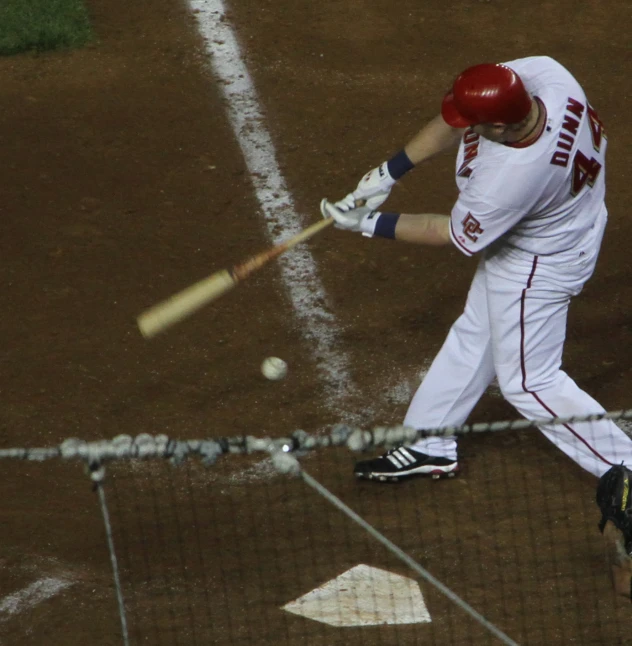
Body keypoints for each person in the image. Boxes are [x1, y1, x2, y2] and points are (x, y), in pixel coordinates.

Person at [320, 55, 632, 482]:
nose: (466, 125)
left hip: (538, 265)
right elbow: (458, 120)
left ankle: (628, 468)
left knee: (529, 382)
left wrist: (369, 224)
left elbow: (447, 231)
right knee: (478, 333)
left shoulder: (510, 177)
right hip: (567, 226)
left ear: (501, 128)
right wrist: (389, 172)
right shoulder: (549, 77)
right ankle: (426, 442)